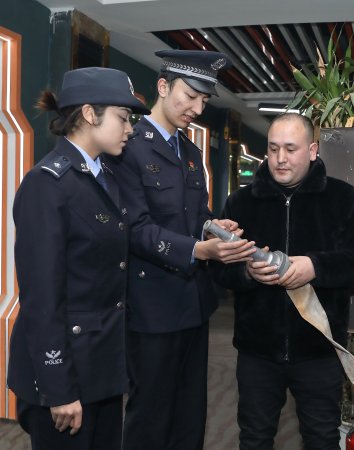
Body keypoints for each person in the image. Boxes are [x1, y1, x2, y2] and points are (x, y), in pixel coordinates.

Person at [107, 49, 256, 450]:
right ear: (163, 86)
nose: (197, 108)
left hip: (194, 302)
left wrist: (213, 226)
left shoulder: (190, 152)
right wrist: (201, 250)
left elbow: (195, 214)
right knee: (151, 415)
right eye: (190, 96)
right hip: (151, 306)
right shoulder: (129, 147)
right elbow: (135, 229)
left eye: (204, 100)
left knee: (190, 413)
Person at [210, 113, 354, 450]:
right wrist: (247, 273)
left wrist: (316, 266)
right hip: (257, 351)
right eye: (273, 149)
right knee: (254, 439)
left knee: (321, 439)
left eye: (291, 149)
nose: (280, 158)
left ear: (312, 151)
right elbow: (218, 269)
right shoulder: (241, 203)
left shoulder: (342, 198)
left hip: (319, 349)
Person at [6, 67, 150, 450]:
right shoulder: (46, 185)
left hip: (102, 367)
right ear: (89, 114)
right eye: (123, 117)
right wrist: (59, 388)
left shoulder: (105, 177)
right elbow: (41, 298)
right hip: (66, 374)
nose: (130, 128)